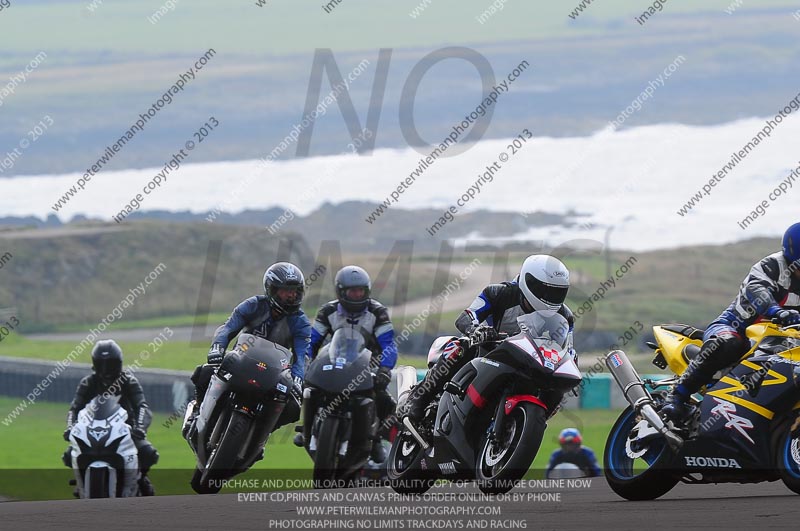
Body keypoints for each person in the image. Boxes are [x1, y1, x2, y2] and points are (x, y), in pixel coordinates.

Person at [404, 254, 576, 428]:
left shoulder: (565, 316)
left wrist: (570, 365)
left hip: (528, 362)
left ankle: (529, 425)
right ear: (528, 281)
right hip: (489, 351)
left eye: (557, 292)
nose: (550, 297)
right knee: (460, 346)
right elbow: (466, 316)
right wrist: (476, 330)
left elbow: (567, 348)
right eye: (545, 290)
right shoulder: (499, 293)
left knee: (557, 388)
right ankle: (419, 398)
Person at [662, 223, 800, 423]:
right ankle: (676, 395)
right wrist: (776, 311)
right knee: (728, 343)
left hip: (781, 340)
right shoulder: (771, 266)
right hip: (736, 327)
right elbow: (756, 290)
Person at [183, 262, 311, 437]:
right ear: (271, 289)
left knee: (293, 407)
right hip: (240, 361)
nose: (292, 295)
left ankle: (261, 436)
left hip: (274, 372)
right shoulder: (253, 305)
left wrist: (298, 379)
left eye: (295, 290)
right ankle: (197, 412)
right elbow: (227, 328)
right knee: (204, 372)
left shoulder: (301, 322)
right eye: (285, 290)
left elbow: (302, 355)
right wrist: (217, 348)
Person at [294, 265, 397, 463]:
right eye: (352, 291)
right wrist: (305, 362)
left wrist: (384, 368)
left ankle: (375, 440)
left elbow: (389, 344)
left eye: (361, 291)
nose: (357, 295)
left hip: (368, 367)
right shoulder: (328, 311)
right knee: (307, 388)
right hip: (333, 362)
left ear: (367, 291)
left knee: (385, 402)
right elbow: (312, 341)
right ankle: (306, 428)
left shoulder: (378, 312)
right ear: (341, 292)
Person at [63, 339, 159, 496]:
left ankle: (141, 479)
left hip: (126, 432)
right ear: (95, 364)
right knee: (68, 455)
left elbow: (142, 407)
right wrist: (69, 427)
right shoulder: (88, 383)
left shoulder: (128, 381)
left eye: (111, 364)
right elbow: (74, 408)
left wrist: (140, 428)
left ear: (119, 363)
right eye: (102, 364)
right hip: (91, 430)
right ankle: (81, 483)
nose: (106, 369)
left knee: (148, 453)